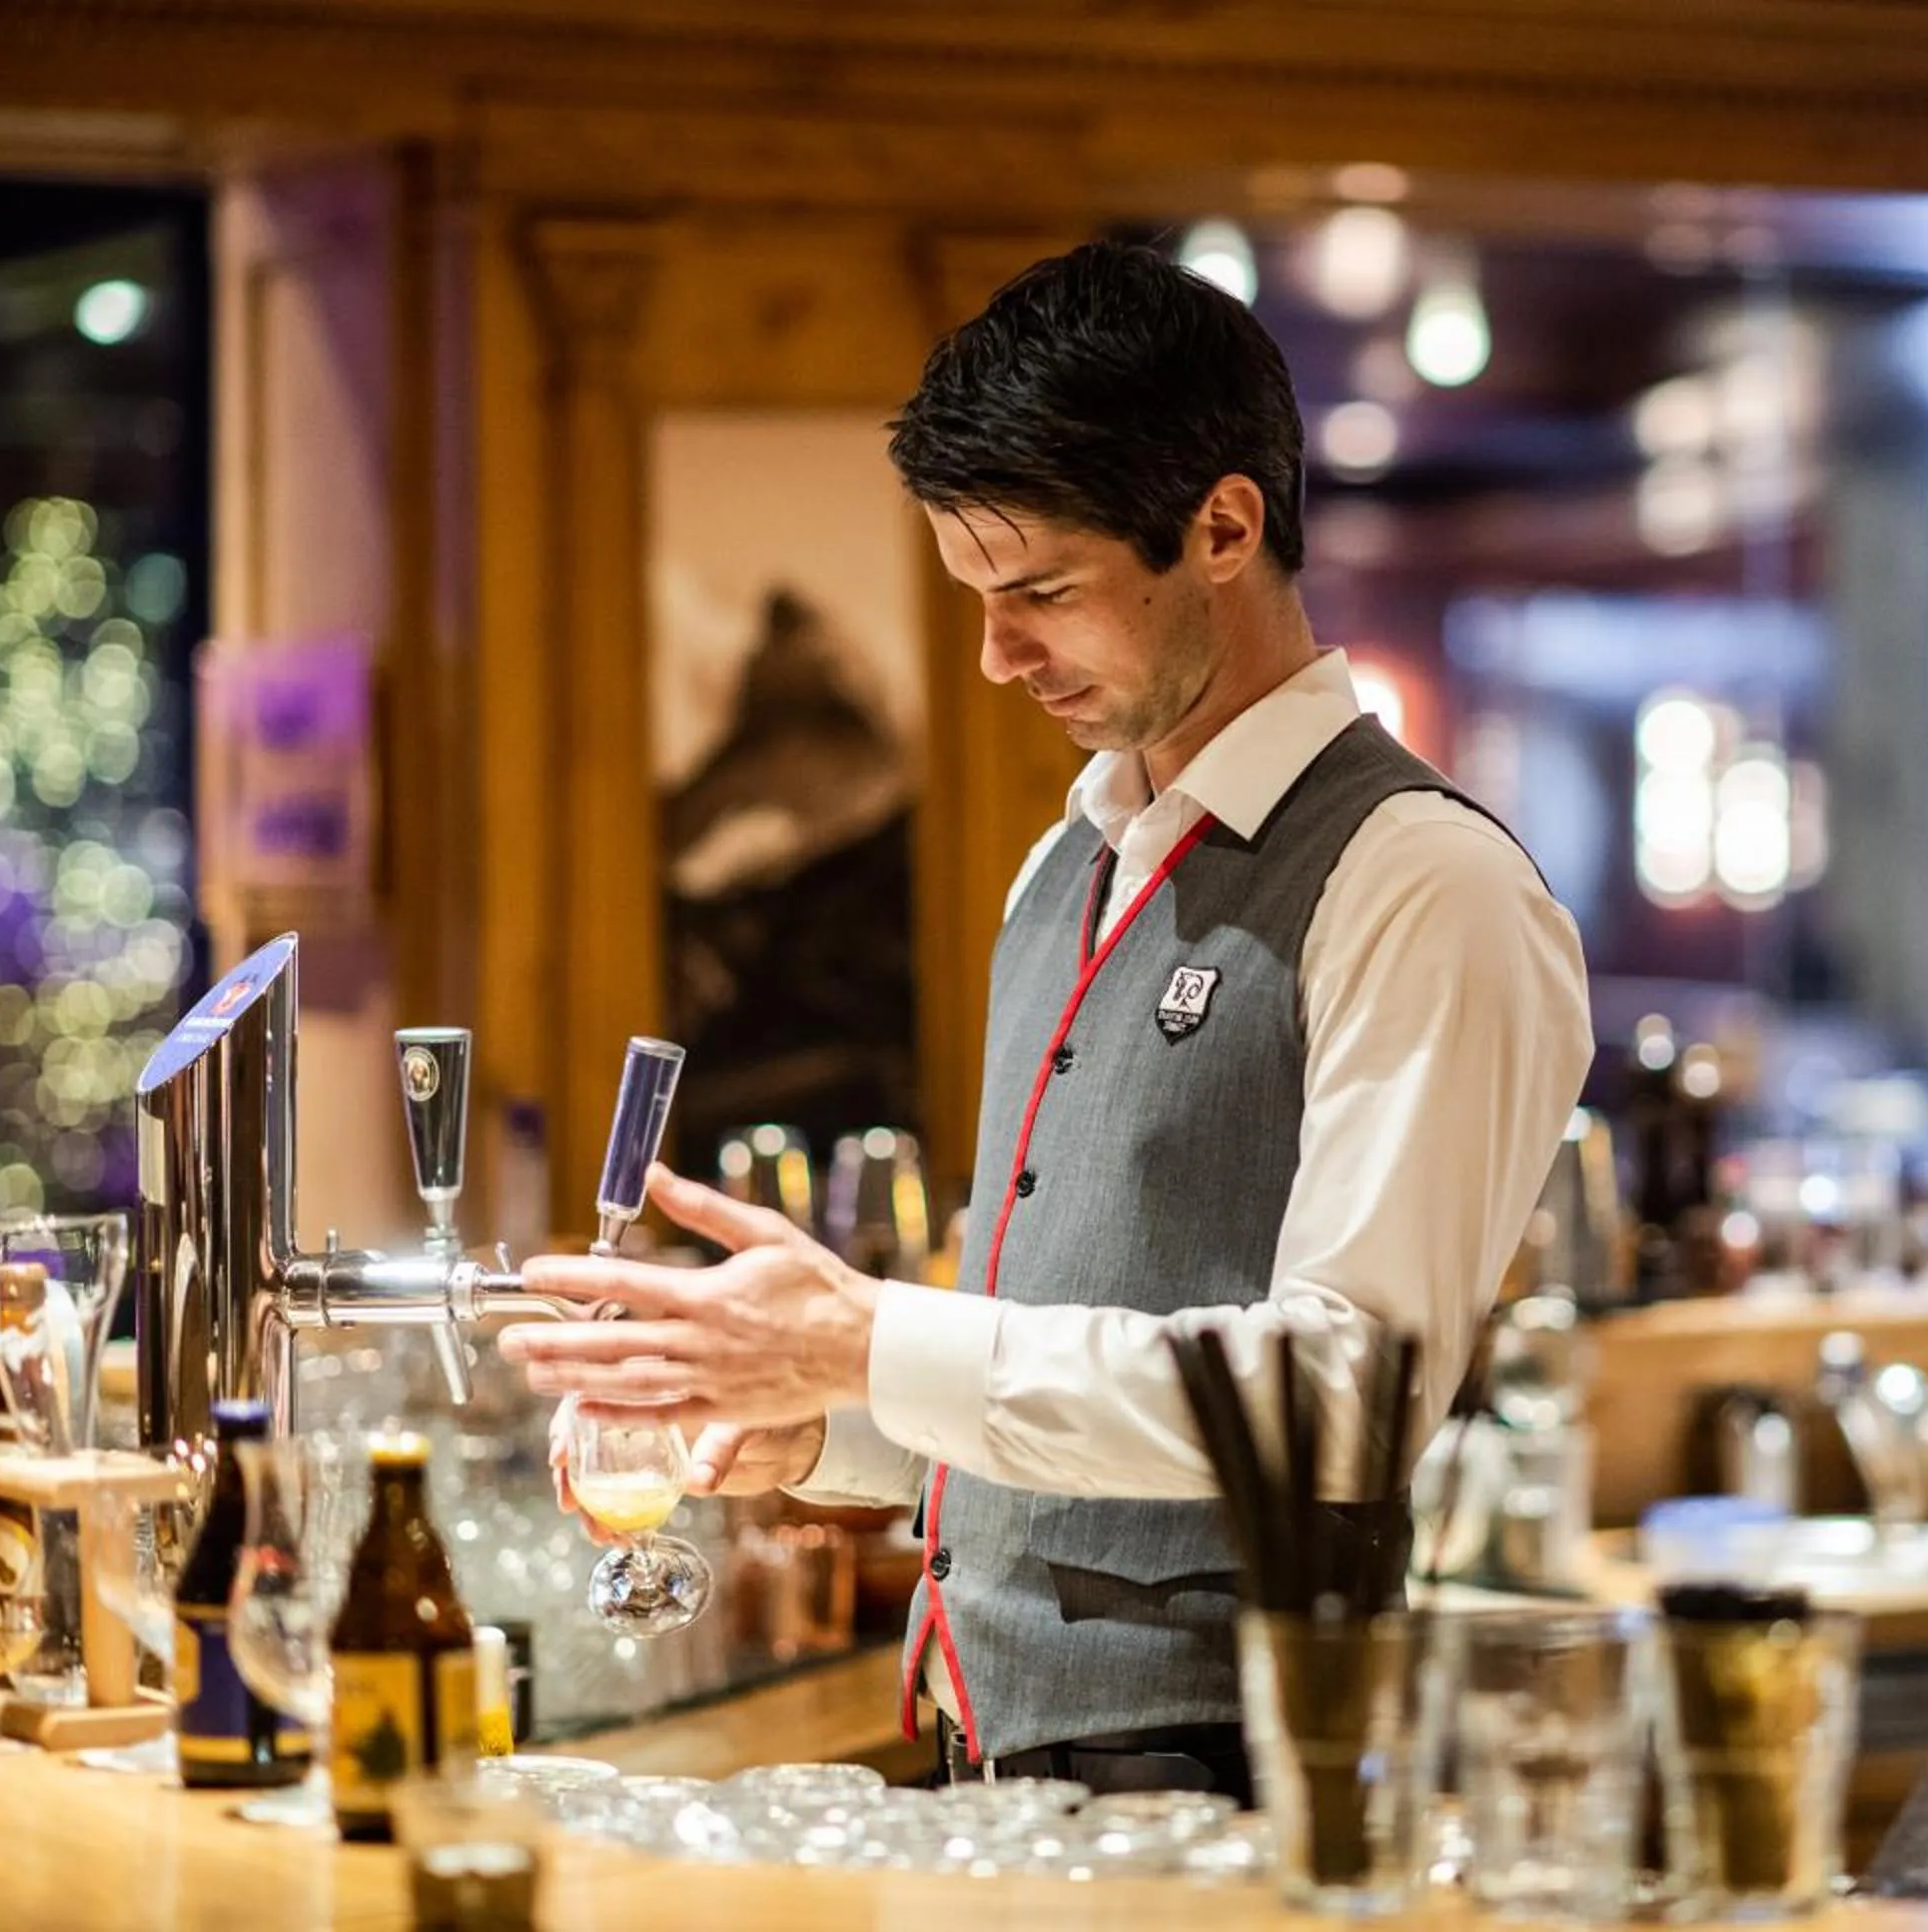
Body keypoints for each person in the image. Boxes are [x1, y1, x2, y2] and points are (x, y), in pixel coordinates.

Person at [500, 239, 1592, 1800]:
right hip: (981, 1762)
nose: (997, 657)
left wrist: (871, 1336)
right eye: (977, 598)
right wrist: (820, 1419)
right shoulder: (1058, 870)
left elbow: (1338, 1403)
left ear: (1224, 527)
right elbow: (1055, 1389)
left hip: (1232, 1774)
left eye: (1042, 593)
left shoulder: (1425, 881)